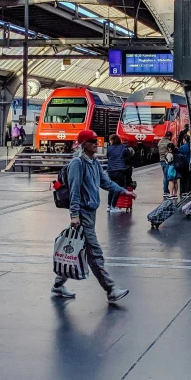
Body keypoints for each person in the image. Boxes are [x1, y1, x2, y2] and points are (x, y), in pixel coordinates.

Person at [51, 129, 135, 302]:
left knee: (75, 247)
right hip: (82, 213)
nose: (97, 144)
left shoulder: (94, 162)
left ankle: (58, 285)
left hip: (91, 212)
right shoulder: (77, 163)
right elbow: (74, 190)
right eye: (93, 141)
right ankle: (110, 289)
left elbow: (105, 182)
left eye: (97, 140)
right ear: (84, 145)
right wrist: (74, 214)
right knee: (94, 253)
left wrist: (123, 192)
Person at [106, 134, 131, 211]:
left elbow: (108, 156)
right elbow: (128, 157)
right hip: (120, 170)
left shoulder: (109, 148)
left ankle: (109, 206)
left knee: (111, 188)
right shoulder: (123, 147)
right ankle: (114, 206)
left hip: (110, 170)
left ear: (112, 140)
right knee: (117, 188)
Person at [157, 131, 174, 198]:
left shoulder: (160, 142)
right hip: (167, 161)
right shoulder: (169, 143)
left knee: (165, 175)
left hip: (161, 160)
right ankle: (166, 191)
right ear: (170, 136)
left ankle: (166, 190)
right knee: (167, 176)